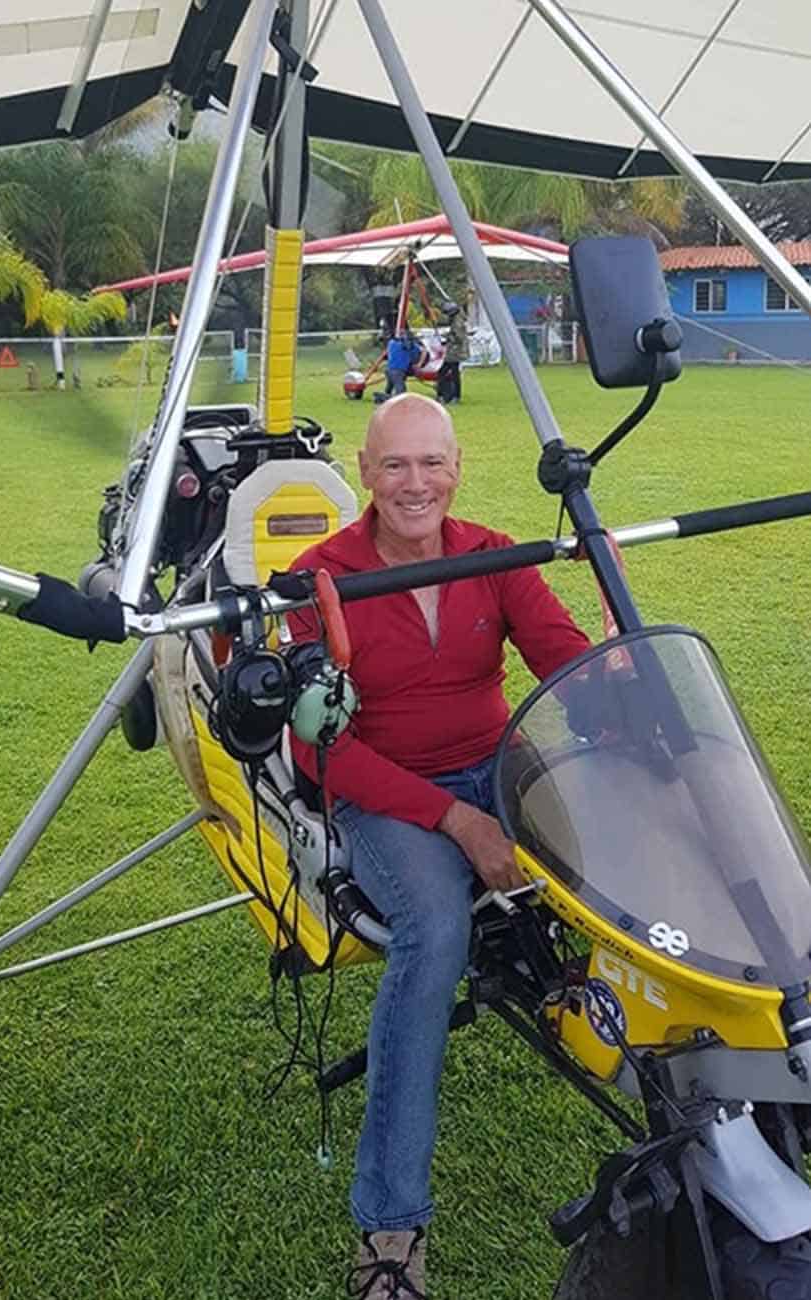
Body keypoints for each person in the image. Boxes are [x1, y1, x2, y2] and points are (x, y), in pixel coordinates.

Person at [289, 393, 590, 1298]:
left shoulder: (493, 554)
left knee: (620, 852)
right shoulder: (320, 576)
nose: (414, 483)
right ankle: (390, 1225)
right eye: (394, 465)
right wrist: (457, 821)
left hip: (495, 761)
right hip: (387, 792)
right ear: (363, 472)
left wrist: (615, 687)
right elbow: (319, 748)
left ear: (457, 468)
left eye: (432, 463)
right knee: (435, 934)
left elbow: (561, 655)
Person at [436, 301, 469, 405]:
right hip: (455, 351)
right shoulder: (458, 319)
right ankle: (452, 396)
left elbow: (459, 338)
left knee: (444, 373)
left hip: (455, 352)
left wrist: (448, 337)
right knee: (453, 374)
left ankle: (445, 396)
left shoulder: (457, 323)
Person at [383, 329, 423, 399]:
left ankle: (383, 399)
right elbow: (416, 355)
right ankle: (386, 399)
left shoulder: (391, 343)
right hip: (398, 371)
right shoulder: (410, 346)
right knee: (401, 391)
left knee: (389, 388)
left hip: (388, 370)